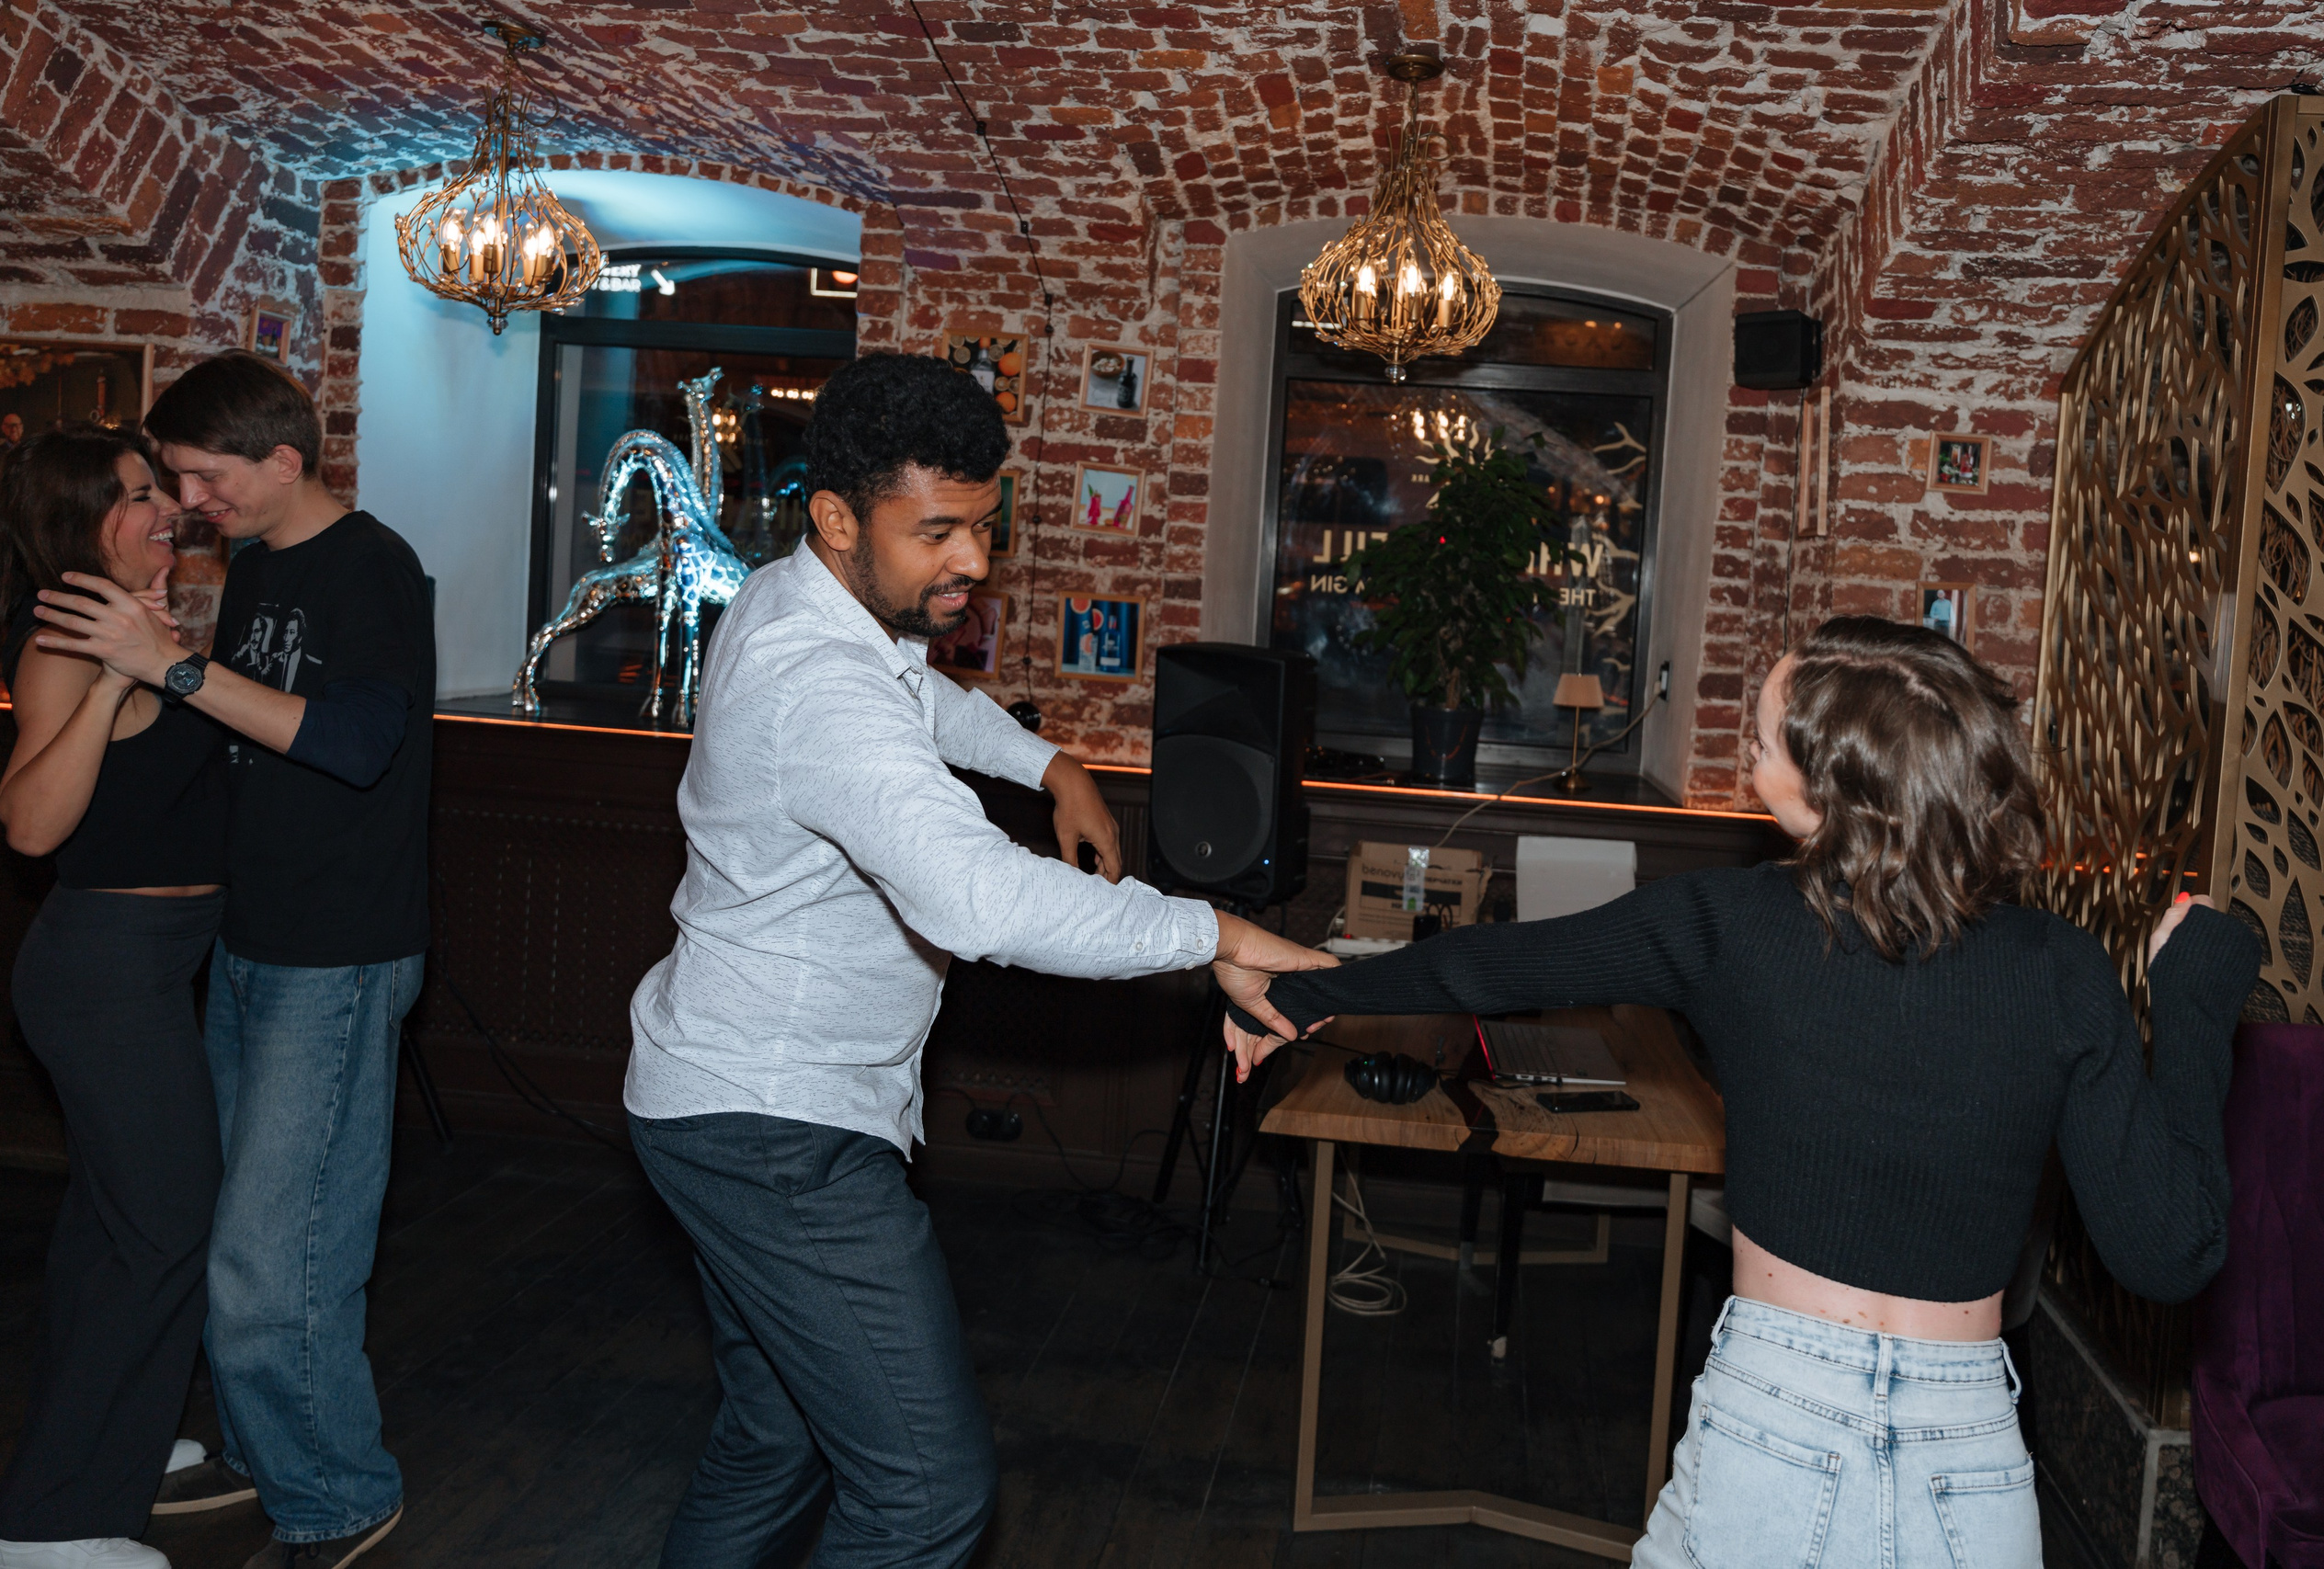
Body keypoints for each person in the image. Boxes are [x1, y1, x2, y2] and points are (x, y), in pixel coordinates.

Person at [1219, 616, 2260, 1569]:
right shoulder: (2062, 969)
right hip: (1970, 1452)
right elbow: (2171, 1250)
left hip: (1776, 1417)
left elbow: (1497, 965)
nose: (1743, 758)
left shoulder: (1734, 925)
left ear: (1831, 788)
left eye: (1760, 740)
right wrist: (2195, 1001)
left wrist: (1312, 995)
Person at [624, 351, 1327, 1568]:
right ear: (837, 516)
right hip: (775, 1128)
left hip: (722, 1094)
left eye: (986, 527)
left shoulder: (801, 602)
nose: (975, 563)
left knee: (777, 1435)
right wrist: (1211, 931)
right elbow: (975, 895)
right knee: (924, 1496)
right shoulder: (817, 682)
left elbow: (928, 708)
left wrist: (1052, 766)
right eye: (938, 531)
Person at [25, 353, 434, 1569]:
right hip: (252, 939)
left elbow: (357, 743)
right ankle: (276, 1452)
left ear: (283, 462)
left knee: (278, 1248)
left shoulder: (375, 566)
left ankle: (340, 1492)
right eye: (176, 480)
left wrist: (172, 669)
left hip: (340, 949)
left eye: (203, 476)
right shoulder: (257, 568)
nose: (191, 501)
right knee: (239, 1233)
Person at [0, 426, 225, 1569]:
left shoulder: (133, 624)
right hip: (104, 966)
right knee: (166, 1223)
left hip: (150, 962)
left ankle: (108, 1441)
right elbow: (30, 825)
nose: (165, 507)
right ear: (82, 523)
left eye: (159, 489)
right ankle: (42, 1528)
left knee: (111, 1230)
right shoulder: (67, 640)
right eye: (136, 497)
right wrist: (119, 675)